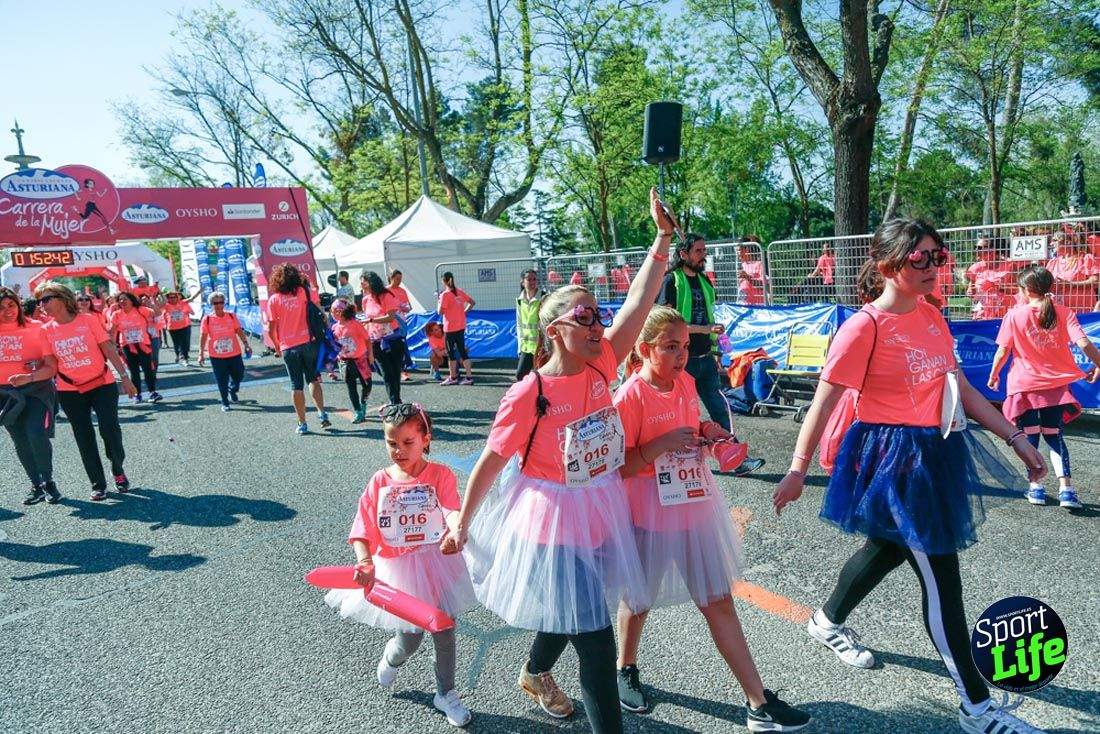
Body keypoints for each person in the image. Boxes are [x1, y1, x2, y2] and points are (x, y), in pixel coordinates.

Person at [771, 219, 1049, 734]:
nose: (932, 267)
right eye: (919, 258)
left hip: (935, 450)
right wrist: (796, 468)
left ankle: (825, 621)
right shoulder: (864, 327)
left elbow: (960, 386)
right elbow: (822, 403)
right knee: (943, 579)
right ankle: (976, 708)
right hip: (894, 460)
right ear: (888, 266)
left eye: (936, 256)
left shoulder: (931, 315)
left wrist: (1015, 438)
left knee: (888, 547)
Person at [439, 188, 675, 734]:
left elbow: (640, 303)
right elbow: (492, 462)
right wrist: (462, 521)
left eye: (600, 315)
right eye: (585, 315)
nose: (599, 324)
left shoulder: (601, 367)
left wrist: (662, 239)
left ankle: (534, 669)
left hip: (599, 504)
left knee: (572, 606)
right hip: (550, 515)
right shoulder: (529, 392)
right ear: (554, 331)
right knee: (594, 632)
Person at [612, 306, 811, 731]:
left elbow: (692, 424)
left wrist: (709, 433)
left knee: (718, 601)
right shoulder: (629, 396)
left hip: (695, 501)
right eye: (670, 347)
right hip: (649, 508)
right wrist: (658, 446)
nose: (682, 355)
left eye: (684, 346)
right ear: (645, 349)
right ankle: (624, 668)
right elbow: (617, 467)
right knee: (639, 598)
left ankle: (757, 701)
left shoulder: (684, 381)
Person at [324, 403, 476, 728]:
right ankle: (394, 654)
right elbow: (362, 526)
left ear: (425, 439)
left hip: (436, 562)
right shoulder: (380, 481)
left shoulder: (440, 475)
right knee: (410, 638)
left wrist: (455, 529)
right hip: (399, 569)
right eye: (392, 443)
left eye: (408, 442)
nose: (399, 450)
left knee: (444, 628)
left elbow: (450, 508)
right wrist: (364, 561)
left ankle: (445, 693)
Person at [988, 265, 1100, 508]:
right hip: (1056, 388)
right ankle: (1066, 490)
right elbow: (1083, 343)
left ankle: (1036, 487)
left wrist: (994, 374)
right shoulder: (1063, 311)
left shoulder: (1014, 315)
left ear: (1026, 290)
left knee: (1029, 436)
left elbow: (1002, 351)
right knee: (1054, 435)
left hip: (1025, 386)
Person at [659, 233, 764, 477]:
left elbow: (710, 318)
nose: (703, 255)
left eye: (704, 250)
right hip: (679, 362)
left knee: (719, 410)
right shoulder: (670, 280)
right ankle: (676, 462)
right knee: (681, 413)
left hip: (705, 357)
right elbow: (666, 322)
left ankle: (736, 459)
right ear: (683, 254)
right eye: (698, 250)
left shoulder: (705, 282)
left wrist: (716, 348)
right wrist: (705, 329)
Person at [36, 282, 138, 502]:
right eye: (39, 301)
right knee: (84, 437)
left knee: (110, 430)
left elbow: (108, 348)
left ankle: (117, 468)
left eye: (46, 299)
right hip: (70, 391)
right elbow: (51, 366)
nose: (41, 305)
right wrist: (30, 376)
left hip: (102, 384)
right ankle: (98, 483)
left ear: (62, 298)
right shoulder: (45, 331)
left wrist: (125, 378)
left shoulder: (88, 320)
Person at [0, 286, 60, 506]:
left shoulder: (36, 328)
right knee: (20, 440)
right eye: (2, 307)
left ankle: (48, 480)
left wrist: (31, 376)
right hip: (5, 395)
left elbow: (51, 367)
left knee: (36, 432)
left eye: (11, 305)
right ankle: (36, 485)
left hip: (35, 389)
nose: (8, 310)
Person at [267, 263, 330, 435]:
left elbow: (271, 329)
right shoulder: (305, 292)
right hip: (309, 342)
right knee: (313, 379)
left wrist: (277, 346)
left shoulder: (274, 300)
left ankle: (302, 424)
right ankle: (322, 413)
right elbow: (322, 315)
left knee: (296, 385)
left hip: (289, 347)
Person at [198, 293, 252, 412]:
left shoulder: (231, 316)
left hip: (234, 353)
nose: (218, 305)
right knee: (221, 379)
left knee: (239, 374)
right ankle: (225, 401)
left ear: (224, 303)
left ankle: (232, 389)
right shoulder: (207, 319)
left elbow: (238, 330)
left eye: (221, 302)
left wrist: (246, 344)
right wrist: (201, 353)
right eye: (215, 303)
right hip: (216, 356)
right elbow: (203, 336)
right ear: (211, 304)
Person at [361, 271, 405, 406]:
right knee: (385, 372)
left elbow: (391, 316)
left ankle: (395, 401)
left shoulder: (386, 295)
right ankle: (395, 401)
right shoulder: (365, 299)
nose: (361, 284)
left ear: (371, 282)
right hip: (375, 341)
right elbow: (367, 320)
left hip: (392, 339)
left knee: (395, 371)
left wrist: (372, 319)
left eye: (364, 281)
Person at [110, 292, 162, 403]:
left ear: (131, 300)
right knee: (134, 371)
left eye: (125, 299)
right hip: (127, 345)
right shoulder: (117, 314)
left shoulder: (140, 310)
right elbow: (113, 331)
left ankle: (152, 392)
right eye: (120, 300)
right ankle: (137, 394)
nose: (122, 302)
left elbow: (157, 314)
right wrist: (112, 345)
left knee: (148, 368)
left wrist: (152, 304)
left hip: (143, 343)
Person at [329, 298, 373, 423]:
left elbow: (367, 340)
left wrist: (371, 355)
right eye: (333, 311)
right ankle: (358, 411)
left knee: (368, 384)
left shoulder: (355, 324)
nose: (334, 313)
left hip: (360, 359)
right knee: (351, 387)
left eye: (337, 311)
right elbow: (333, 345)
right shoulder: (334, 327)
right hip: (344, 361)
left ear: (344, 311)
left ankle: (363, 403)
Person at [436, 272, 475, 386]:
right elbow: (472, 302)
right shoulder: (459, 291)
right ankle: (469, 377)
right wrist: (464, 312)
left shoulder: (445, 294)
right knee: (462, 351)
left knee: (451, 353)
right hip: (460, 326)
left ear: (443, 281)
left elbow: (440, 311)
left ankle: (453, 377)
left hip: (450, 328)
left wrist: (438, 300)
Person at [1046, 232, 1098, 313]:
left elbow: (1096, 281)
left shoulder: (1085, 258)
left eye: (1054, 240)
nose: (1051, 243)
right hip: (1059, 310)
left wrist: (1070, 284)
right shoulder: (1053, 262)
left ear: (1067, 242)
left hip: (1082, 308)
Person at [964, 237, 1014, 319]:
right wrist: (971, 291)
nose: (976, 250)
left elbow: (1016, 290)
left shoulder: (1009, 265)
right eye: (975, 247)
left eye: (980, 248)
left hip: (1005, 312)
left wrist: (999, 287)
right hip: (983, 313)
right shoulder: (975, 268)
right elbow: (971, 292)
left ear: (992, 249)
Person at [515, 269, 544, 381]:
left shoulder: (543, 297)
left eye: (534, 279)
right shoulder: (520, 300)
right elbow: (519, 324)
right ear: (522, 281)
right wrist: (519, 347)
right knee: (520, 376)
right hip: (526, 347)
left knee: (542, 378)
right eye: (529, 279)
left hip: (541, 346)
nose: (532, 282)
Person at [388, 269, 415, 382]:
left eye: (400, 279)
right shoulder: (386, 290)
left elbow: (409, 306)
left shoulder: (402, 291)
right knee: (390, 347)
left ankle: (404, 371)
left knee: (402, 346)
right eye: (397, 279)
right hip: (389, 322)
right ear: (392, 277)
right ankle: (393, 370)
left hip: (401, 322)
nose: (399, 281)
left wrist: (405, 308)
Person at [163, 291, 195, 366]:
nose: (173, 299)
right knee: (176, 343)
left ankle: (185, 358)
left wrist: (199, 292)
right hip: (172, 328)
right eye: (171, 297)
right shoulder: (166, 305)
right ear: (168, 299)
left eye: (174, 297)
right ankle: (178, 355)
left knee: (184, 343)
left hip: (184, 326)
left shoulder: (182, 303)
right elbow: (158, 305)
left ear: (177, 298)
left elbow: (191, 299)